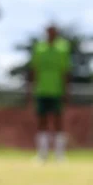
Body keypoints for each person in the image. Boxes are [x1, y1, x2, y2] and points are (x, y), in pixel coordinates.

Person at [29, 25, 72, 162]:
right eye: (49, 32)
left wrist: (66, 90)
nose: (51, 34)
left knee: (58, 121)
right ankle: (42, 153)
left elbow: (65, 71)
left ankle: (60, 154)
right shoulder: (39, 48)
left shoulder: (63, 48)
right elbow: (34, 70)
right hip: (42, 90)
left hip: (57, 91)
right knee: (42, 121)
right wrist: (31, 88)